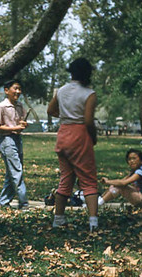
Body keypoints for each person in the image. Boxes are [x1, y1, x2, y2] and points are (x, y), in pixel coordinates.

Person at [47, 57, 99, 232]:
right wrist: (93, 136)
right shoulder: (89, 93)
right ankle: (93, 221)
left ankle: (58, 218)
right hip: (80, 135)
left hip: (63, 134)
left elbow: (50, 110)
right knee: (88, 179)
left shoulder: (61, 91)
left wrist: (65, 116)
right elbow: (89, 120)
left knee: (66, 179)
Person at [0, 79, 29, 209]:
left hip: (18, 139)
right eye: (15, 88)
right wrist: (13, 128)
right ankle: (24, 203)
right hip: (7, 140)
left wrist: (23, 125)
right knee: (16, 171)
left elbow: (22, 122)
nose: (18, 92)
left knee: (12, 173)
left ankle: (4, 202)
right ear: (6, 90)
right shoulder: (2, 106)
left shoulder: (20, 106)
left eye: (19, 89)